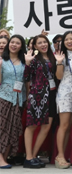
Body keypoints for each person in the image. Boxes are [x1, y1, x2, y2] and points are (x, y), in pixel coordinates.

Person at [23, 34, 58, 168]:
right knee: (32, 125)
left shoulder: (54, 57)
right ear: (35, 46)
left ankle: (33, 156)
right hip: (37, 94)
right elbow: (26, 77)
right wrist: (27, 63)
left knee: (47, 126)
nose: (43, 44)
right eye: (40, 43)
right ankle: (28, 157)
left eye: (45, 42)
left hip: (52, 94)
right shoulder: (33, 59)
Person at [54, 30, 72, 169]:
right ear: (63, 42)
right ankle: (59, 156)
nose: (69, 41)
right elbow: (59, 77)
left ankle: (63, 155)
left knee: (69, 127)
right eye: (66, 39)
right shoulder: (61, 55)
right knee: (64, 125)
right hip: (65, 93)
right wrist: (59, 63)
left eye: (71, 39)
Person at [0, 35, 26, 169]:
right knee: (2, 128)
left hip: (19, 99)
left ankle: (4, 158)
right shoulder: (2, 61)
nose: (14, 44)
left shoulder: (24, 61)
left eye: (18, 43)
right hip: (4, 97)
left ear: (22, 46)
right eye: (12, 42)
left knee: (12, 130)